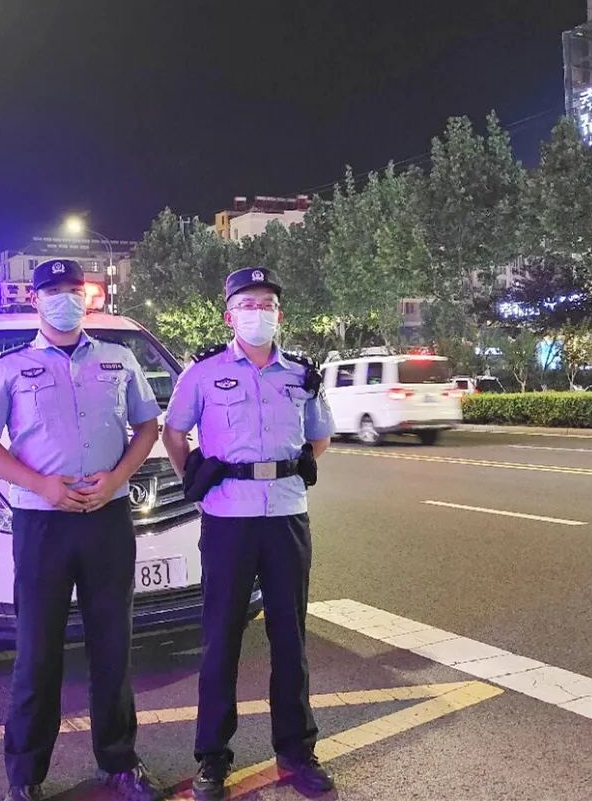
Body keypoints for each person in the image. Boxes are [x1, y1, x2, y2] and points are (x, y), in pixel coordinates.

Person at [0, 259, 166, 801]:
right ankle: (24, 777)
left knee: (113, 647)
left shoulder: (118, 359)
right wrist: (41, 485)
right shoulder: (10, 367)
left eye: (74, 288)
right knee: (37, 653)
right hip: (42, 523)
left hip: (108, 519)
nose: (65, 298)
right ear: (34, 299)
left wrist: (117, 478)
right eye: (53, 289)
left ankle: (119, 763)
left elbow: (148, 426)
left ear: (88, 295)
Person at [161, 267, 335, 800]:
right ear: (228, 315)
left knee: (290, 638)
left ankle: (297, 751)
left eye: (266, 304)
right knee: (221, 639)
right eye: (247, 304)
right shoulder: (203, 372)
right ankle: (212, 757)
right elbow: (173, 432)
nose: (258, 312)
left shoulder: (301, 374)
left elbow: (319, 436)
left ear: (279, 314)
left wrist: (289, 472)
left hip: (286, 515)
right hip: (227, 519)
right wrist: (197, 481)